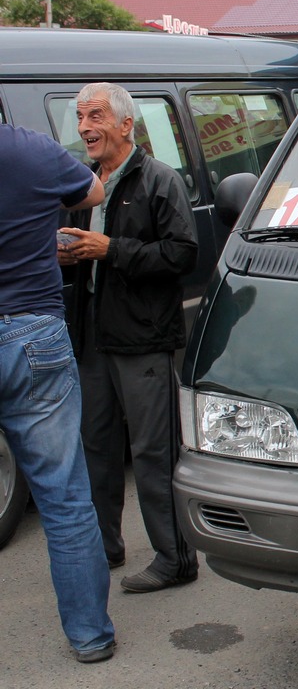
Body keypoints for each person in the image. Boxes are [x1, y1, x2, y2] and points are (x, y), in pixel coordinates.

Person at [57, 82, 200, 594]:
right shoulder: (83, 183)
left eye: (94, 116)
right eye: (79, 117)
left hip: (144, 339)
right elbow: (80, 247)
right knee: (95, 445)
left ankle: (175, 558)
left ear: (124, 124)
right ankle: (106, 545)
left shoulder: (159, 180)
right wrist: (69, 255)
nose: (83, 128)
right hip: (93, 335)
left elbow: (183, 254)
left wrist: (111, 249)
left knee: (153, 451)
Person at [0, 122, 117, 663]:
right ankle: (91, 636)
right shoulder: (29, 147)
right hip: (33, 333)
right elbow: (92, 192)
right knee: (65, 498)